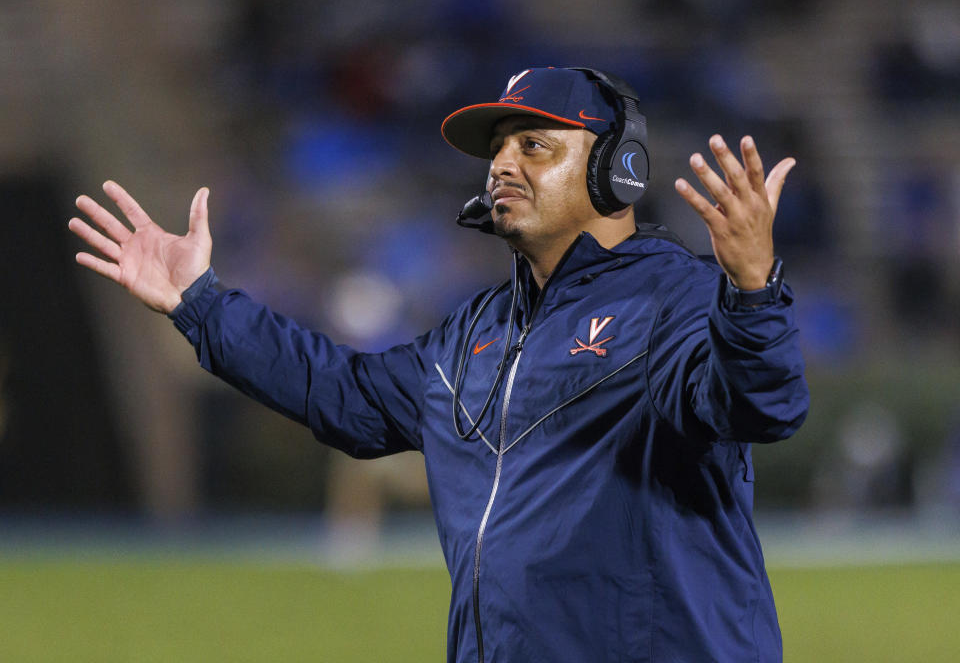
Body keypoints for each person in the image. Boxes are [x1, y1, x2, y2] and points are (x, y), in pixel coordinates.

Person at [69, 66, 808, 662]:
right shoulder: (474, 332)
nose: (502, 166)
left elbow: (760, 407)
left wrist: (751, 292)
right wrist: (198, 303)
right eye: (498, 150)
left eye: (534, 146)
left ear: (617, 170)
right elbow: (343, 393)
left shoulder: (671, 295)